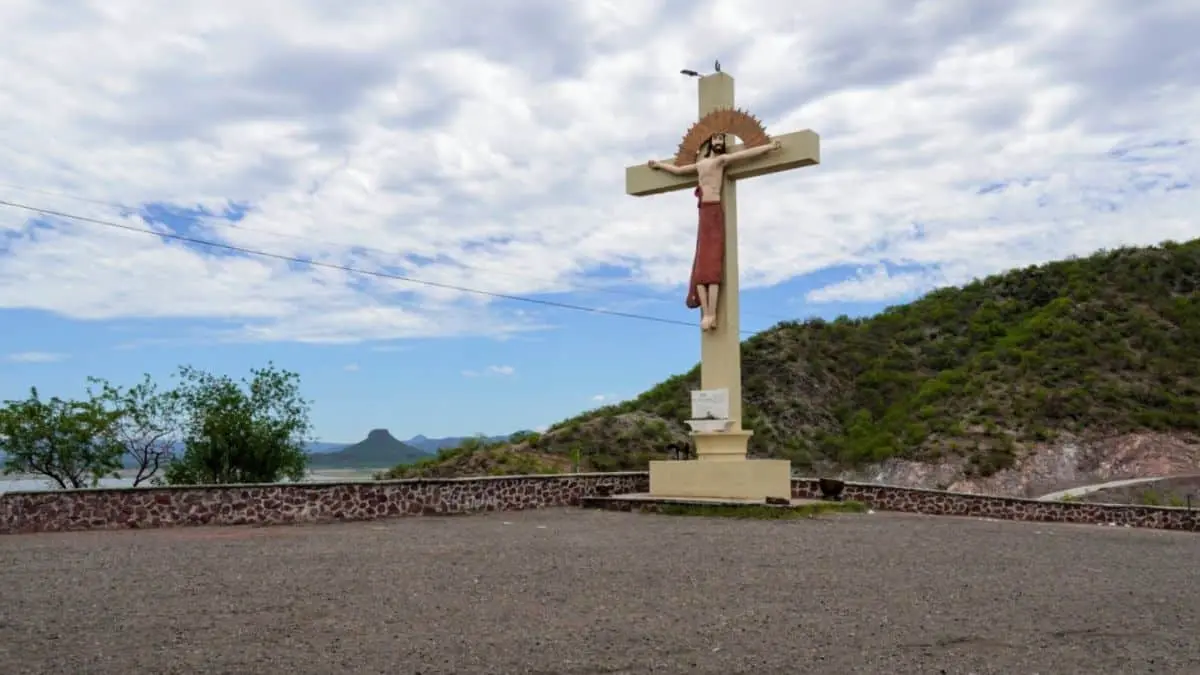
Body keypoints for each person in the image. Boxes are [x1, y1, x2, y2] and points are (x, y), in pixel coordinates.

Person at [648, 133, 782, 330]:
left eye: (721, 140)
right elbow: (678, 171)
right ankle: (707, 314)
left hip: (714, 210)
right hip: (703, 211)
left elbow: (745, 155)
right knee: (702, 265)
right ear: (709, 144)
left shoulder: (722, 160)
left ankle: (712, 313)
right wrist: (659, 165)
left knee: (712, 261)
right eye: (716, 139)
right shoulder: (700, 164)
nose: (719, 142)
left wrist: (770, 147)